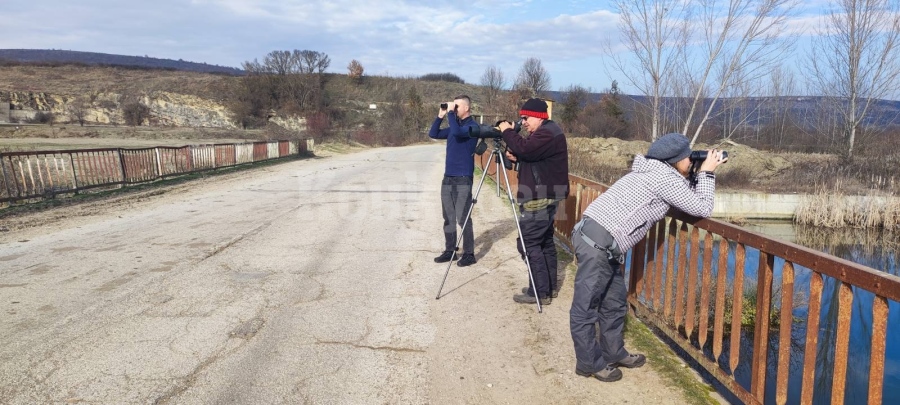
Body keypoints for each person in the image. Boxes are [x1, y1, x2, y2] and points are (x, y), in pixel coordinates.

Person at [569, 132, 727, 382]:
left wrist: (696, 171)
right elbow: (702, 208)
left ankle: (613, 352)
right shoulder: (662, 179)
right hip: (597, 243)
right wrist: (708, 172)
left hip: (600, 240)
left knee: (614, 303)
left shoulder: (654, 171)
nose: (690, 161)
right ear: (675, 160)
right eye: (688, 158)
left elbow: (685, 196)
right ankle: (588, 363)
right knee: (585, 307)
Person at [497, 98, 569, 305]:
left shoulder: (547, 132)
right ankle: (547, 287)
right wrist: (518, 158)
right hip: (546, 194)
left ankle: (538, 292)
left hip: (540, 197)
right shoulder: (547, 131)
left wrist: (507, 131)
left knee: (528, 242)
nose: (524, 122)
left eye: (526, 118)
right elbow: (536, 158)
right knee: (544, 242)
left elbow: (527, 149)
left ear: (539, 116)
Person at [429, 95, 479, 267]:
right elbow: (433, 133)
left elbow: (457, 132)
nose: (454, 109)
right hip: (448, 176)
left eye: (457, 107)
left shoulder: (473, 127)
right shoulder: (454, 126)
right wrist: (440, 115)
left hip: (463, 177)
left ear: (466, 108)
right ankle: (450, 250)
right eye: (454, 107)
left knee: (463, 217)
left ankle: (469, 254)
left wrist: (450, 113)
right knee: (448, 216)